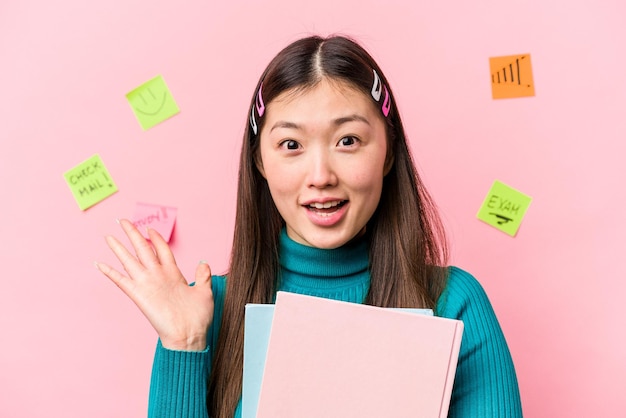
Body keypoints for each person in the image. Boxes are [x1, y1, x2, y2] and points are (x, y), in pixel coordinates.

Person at [96, 35, 523, 417]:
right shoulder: (206, 311)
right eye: (291, 145)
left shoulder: (454, 304)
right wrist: (184, 344)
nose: (320, 175)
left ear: (389, 152)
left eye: (348, 141)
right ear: (260, 162)